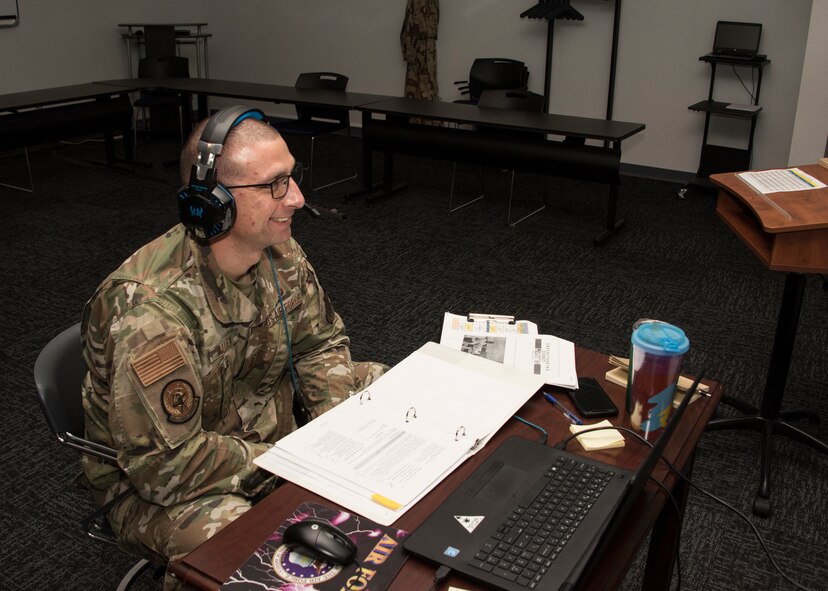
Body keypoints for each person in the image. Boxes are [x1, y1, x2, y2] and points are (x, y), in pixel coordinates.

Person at [80, 105, 386, 590]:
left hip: (263, 432)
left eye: (293, 177)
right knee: (243, 542)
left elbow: (318, 343)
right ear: (210, 202)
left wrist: (339, 426)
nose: (299, 199)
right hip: (163, 486)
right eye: (275, 185)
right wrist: (292, 460)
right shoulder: (150, 315)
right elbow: (168, 469)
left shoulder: (278, 251)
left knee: (399, 393)